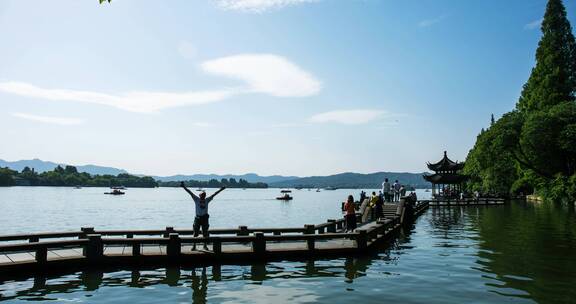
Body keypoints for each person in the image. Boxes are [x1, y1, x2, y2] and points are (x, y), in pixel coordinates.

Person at [180, 181, 226, 250]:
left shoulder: (207, 200)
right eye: (202, 195)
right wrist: (184, 187)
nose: (203, 196)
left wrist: (221, 189)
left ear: (205, 196)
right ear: (200, 195)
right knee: (195, 233)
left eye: (204, 195)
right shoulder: (196, 199)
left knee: (205, 233)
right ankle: (194, 245)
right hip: (197, 218)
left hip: (204, 218)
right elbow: (190, 192)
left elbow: (214, 194)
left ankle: (204, 245)